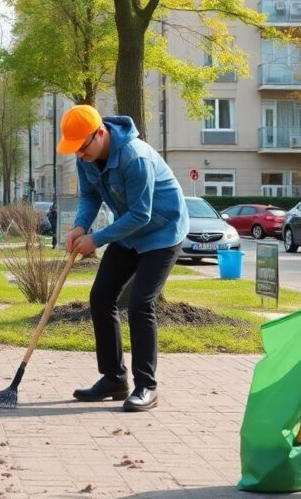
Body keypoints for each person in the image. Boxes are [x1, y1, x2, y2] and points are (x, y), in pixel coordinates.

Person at [58, 105, 188, 412]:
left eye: (82, 147)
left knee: (141, 302)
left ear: (100, 133)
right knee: (101, 296)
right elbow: (90, 196)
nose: (79, 154)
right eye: (74, 149)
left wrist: (96, 239)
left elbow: (141, 214)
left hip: (162, 231)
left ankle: (147, 386)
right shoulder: (86, 157)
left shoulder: (135, 157)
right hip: (130, 233)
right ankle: (114, 378)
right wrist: (80, 226)